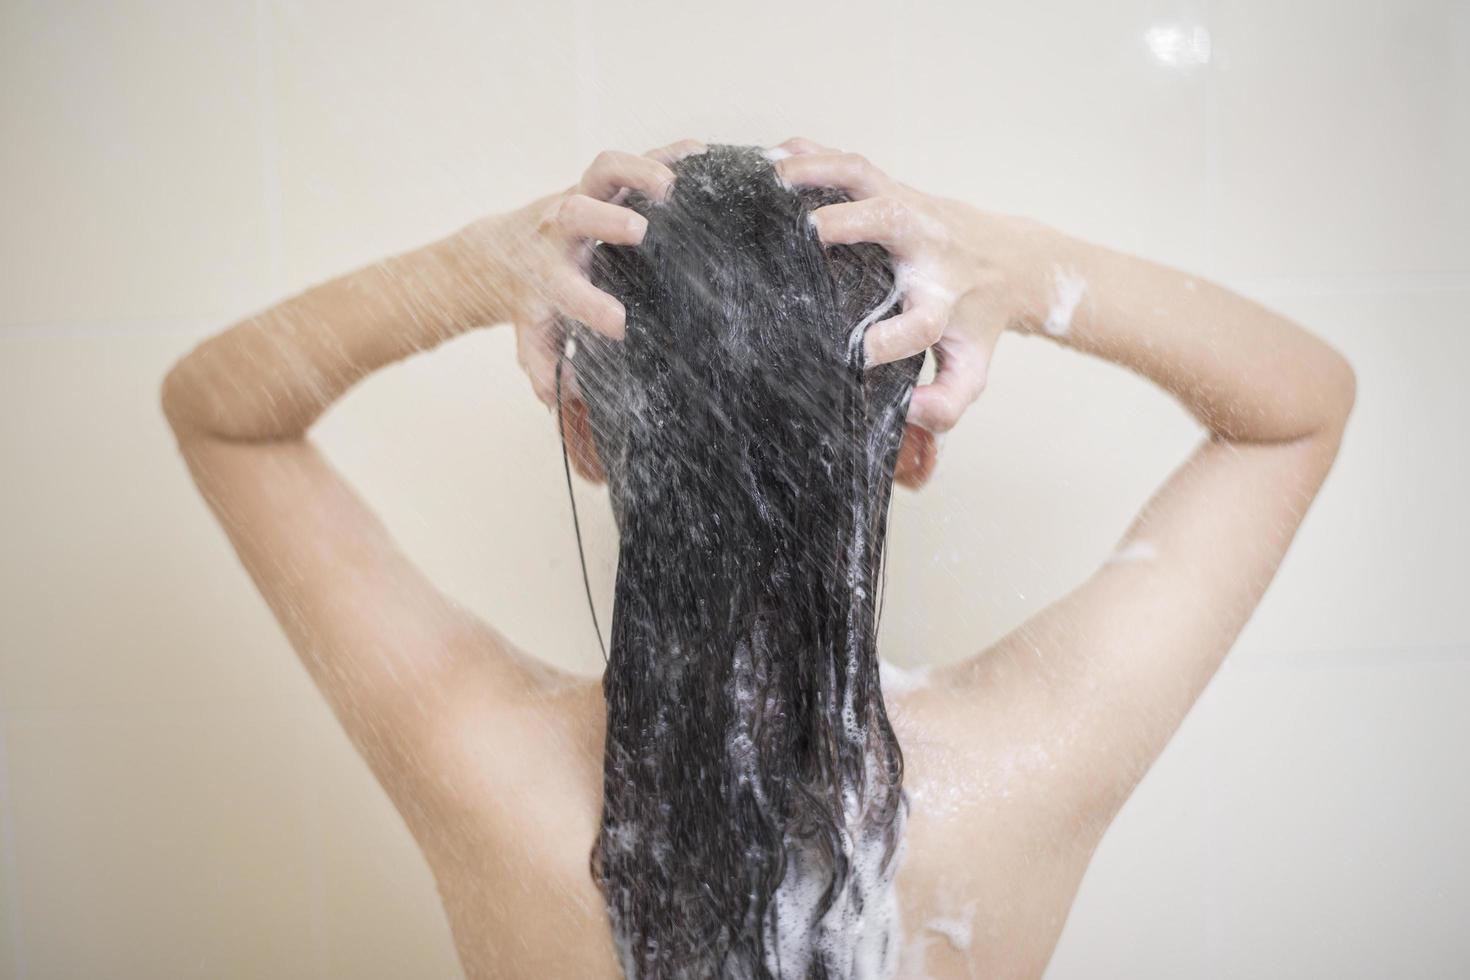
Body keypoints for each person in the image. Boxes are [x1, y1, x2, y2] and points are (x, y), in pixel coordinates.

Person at [161, 137, 1356, 980]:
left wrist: (473, 268)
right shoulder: (1025, 770)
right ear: (912, 448)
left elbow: (219, 407)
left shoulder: (488, 774)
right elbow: (1300, 403)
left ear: (583, 433)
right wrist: (1020, 266)